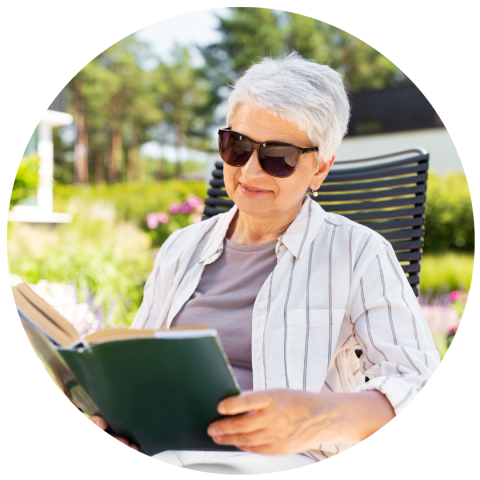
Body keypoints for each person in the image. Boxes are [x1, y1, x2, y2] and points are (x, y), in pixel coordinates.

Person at [87, 52, 441, 473]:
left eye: (279, 156)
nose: (250, 171)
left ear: (320, 169)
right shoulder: (181, 247)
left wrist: (319, 416)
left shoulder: (360, 254)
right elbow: (132, 363)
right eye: (237, 147)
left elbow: (415, 382)